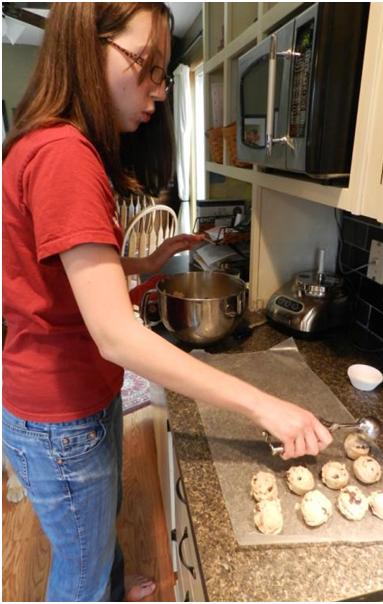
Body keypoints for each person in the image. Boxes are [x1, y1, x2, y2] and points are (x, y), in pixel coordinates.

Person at [2, 3, 332, 602]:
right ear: (88, 46)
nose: (158, 89)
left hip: (70, 398)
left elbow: (56, 275)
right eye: (147, 65)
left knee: (94, 535)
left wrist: (143, 265)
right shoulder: (65, 154)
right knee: (78, 575)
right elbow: (116, 335)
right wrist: (264, 407)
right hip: (60, 415)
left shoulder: (51, 143)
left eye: (162, 71)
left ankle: (109, 580)